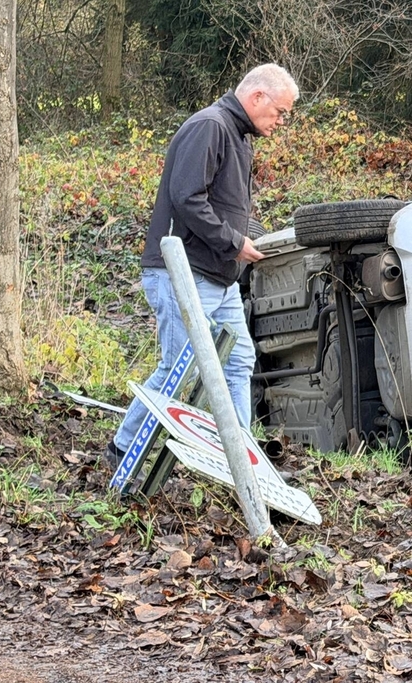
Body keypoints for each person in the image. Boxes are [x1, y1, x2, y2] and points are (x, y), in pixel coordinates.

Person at [104, 63, 299, 467]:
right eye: (280, 111)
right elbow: (187, 197)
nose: (281, 121)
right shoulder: (209, 126)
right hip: (182, 272)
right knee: (178, 369)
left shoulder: (239, 137)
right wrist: (234, 242)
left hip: (219, 277)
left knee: (240, 359)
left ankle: (242, 461)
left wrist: (237, 245)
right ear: (257, 96)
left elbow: (221, 205)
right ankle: (122, 448)